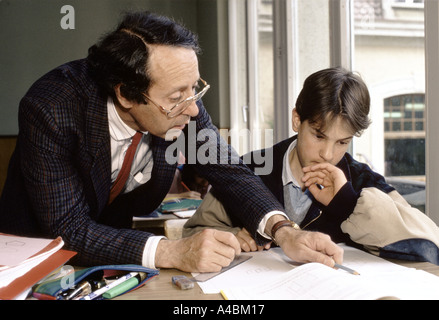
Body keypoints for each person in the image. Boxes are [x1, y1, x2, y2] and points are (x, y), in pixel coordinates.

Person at [0, 11, 343, 272]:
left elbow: (229, 170)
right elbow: (68, 229)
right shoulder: (51, 107)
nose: (193, 107)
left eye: (195, 87)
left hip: (117, 254)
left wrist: (285, 232)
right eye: (179, 95)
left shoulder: (180, 100)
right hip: (32, 261)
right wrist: (173, 251)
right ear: (125, 94)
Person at [184, 67, 439, 265]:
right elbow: (193, 234)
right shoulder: (250, 170)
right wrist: (230, 237)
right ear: (297, 120)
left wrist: (348, 203)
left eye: (342, 142)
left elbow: (429, 245)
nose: (328, 154)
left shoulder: (361, 182)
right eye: (319, 135)